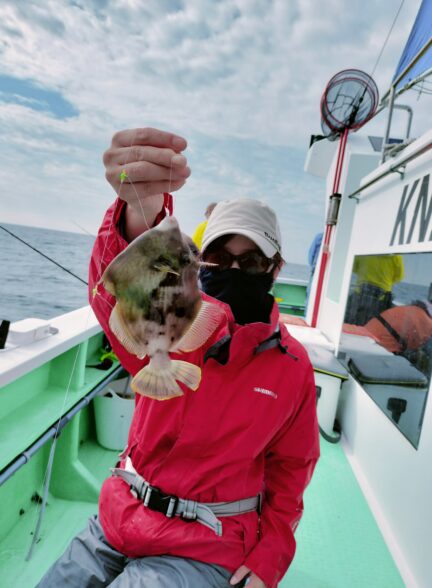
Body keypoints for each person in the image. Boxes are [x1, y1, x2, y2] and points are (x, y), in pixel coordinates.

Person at [38, 128, 319, 588]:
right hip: (119, 517)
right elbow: (115, 297)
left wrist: (272, 554)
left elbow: (292, 470)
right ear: (201, 262)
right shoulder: (175, 317)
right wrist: (139, 210)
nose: (232, 271)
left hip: (207, 542)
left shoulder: (292, 367)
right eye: (218, 258)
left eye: (250, 264)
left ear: (275, 270)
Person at [344, 254, 404, 325]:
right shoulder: (396, 256)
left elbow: (354, 267)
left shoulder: (365, 249)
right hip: (382, 299)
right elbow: (399, 277)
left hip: (360, 294)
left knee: (346, 316)